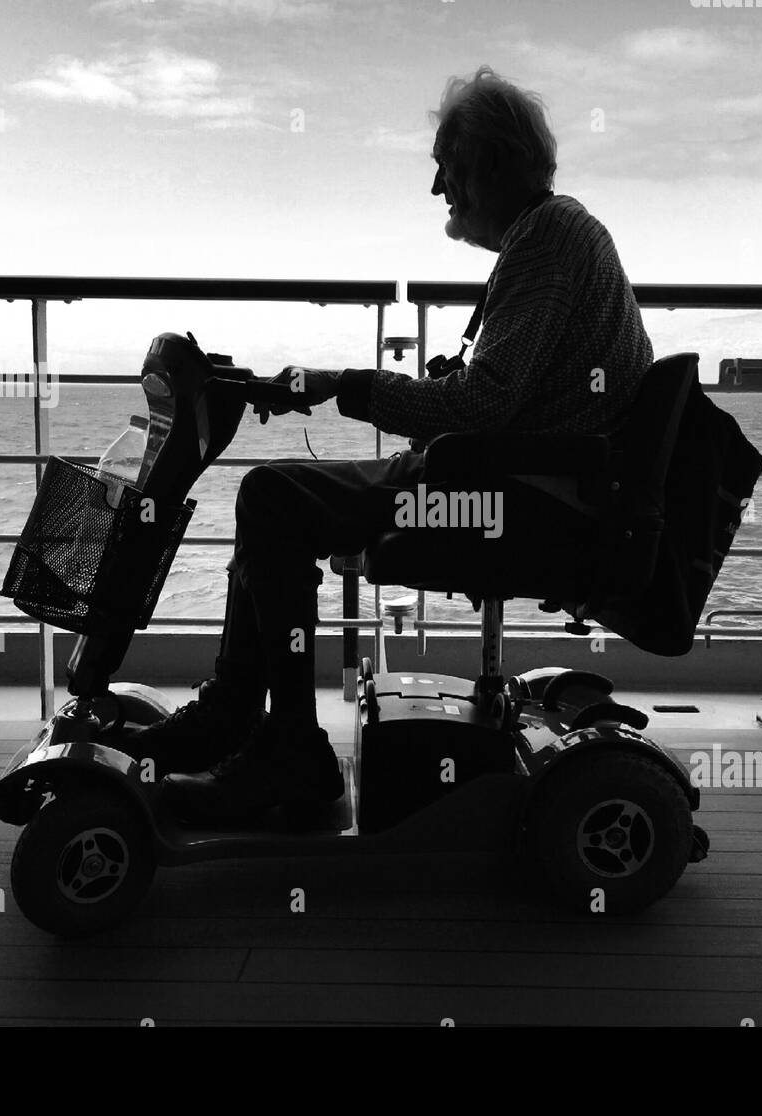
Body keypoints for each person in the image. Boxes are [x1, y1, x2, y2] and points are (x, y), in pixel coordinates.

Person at [125, 64, 654, 827]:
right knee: (275, 496)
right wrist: (360, 390)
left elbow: (484, 402)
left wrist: (349, 384)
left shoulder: (546, 242)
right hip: (521, 485)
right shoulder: (555, 235)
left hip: (518, 504)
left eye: (447, 165)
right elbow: (506, 401)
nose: (439, 187)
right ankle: (245, 723)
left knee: (272, 497)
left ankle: (279, 748)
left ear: (493, 165)